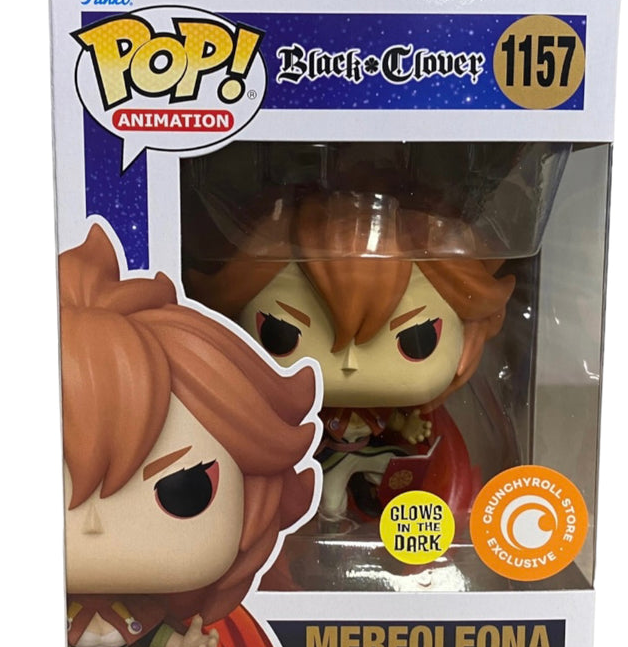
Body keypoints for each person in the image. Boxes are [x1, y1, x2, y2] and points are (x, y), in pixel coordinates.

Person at [60, 224, 318, 647]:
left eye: (184, 489)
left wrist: (186, 646)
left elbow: (160, 637)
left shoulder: (143, 611)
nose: (93, 522)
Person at [187, 194, 514, 522]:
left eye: (417, 339)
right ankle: (329, 519)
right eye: (280, 333)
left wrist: (409, 424)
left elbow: (396, 423)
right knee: (328, 495)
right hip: (319, 456)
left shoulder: (383, 410)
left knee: (397, 470)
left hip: (365, 451)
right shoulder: (293, 409)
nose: (350, 363)